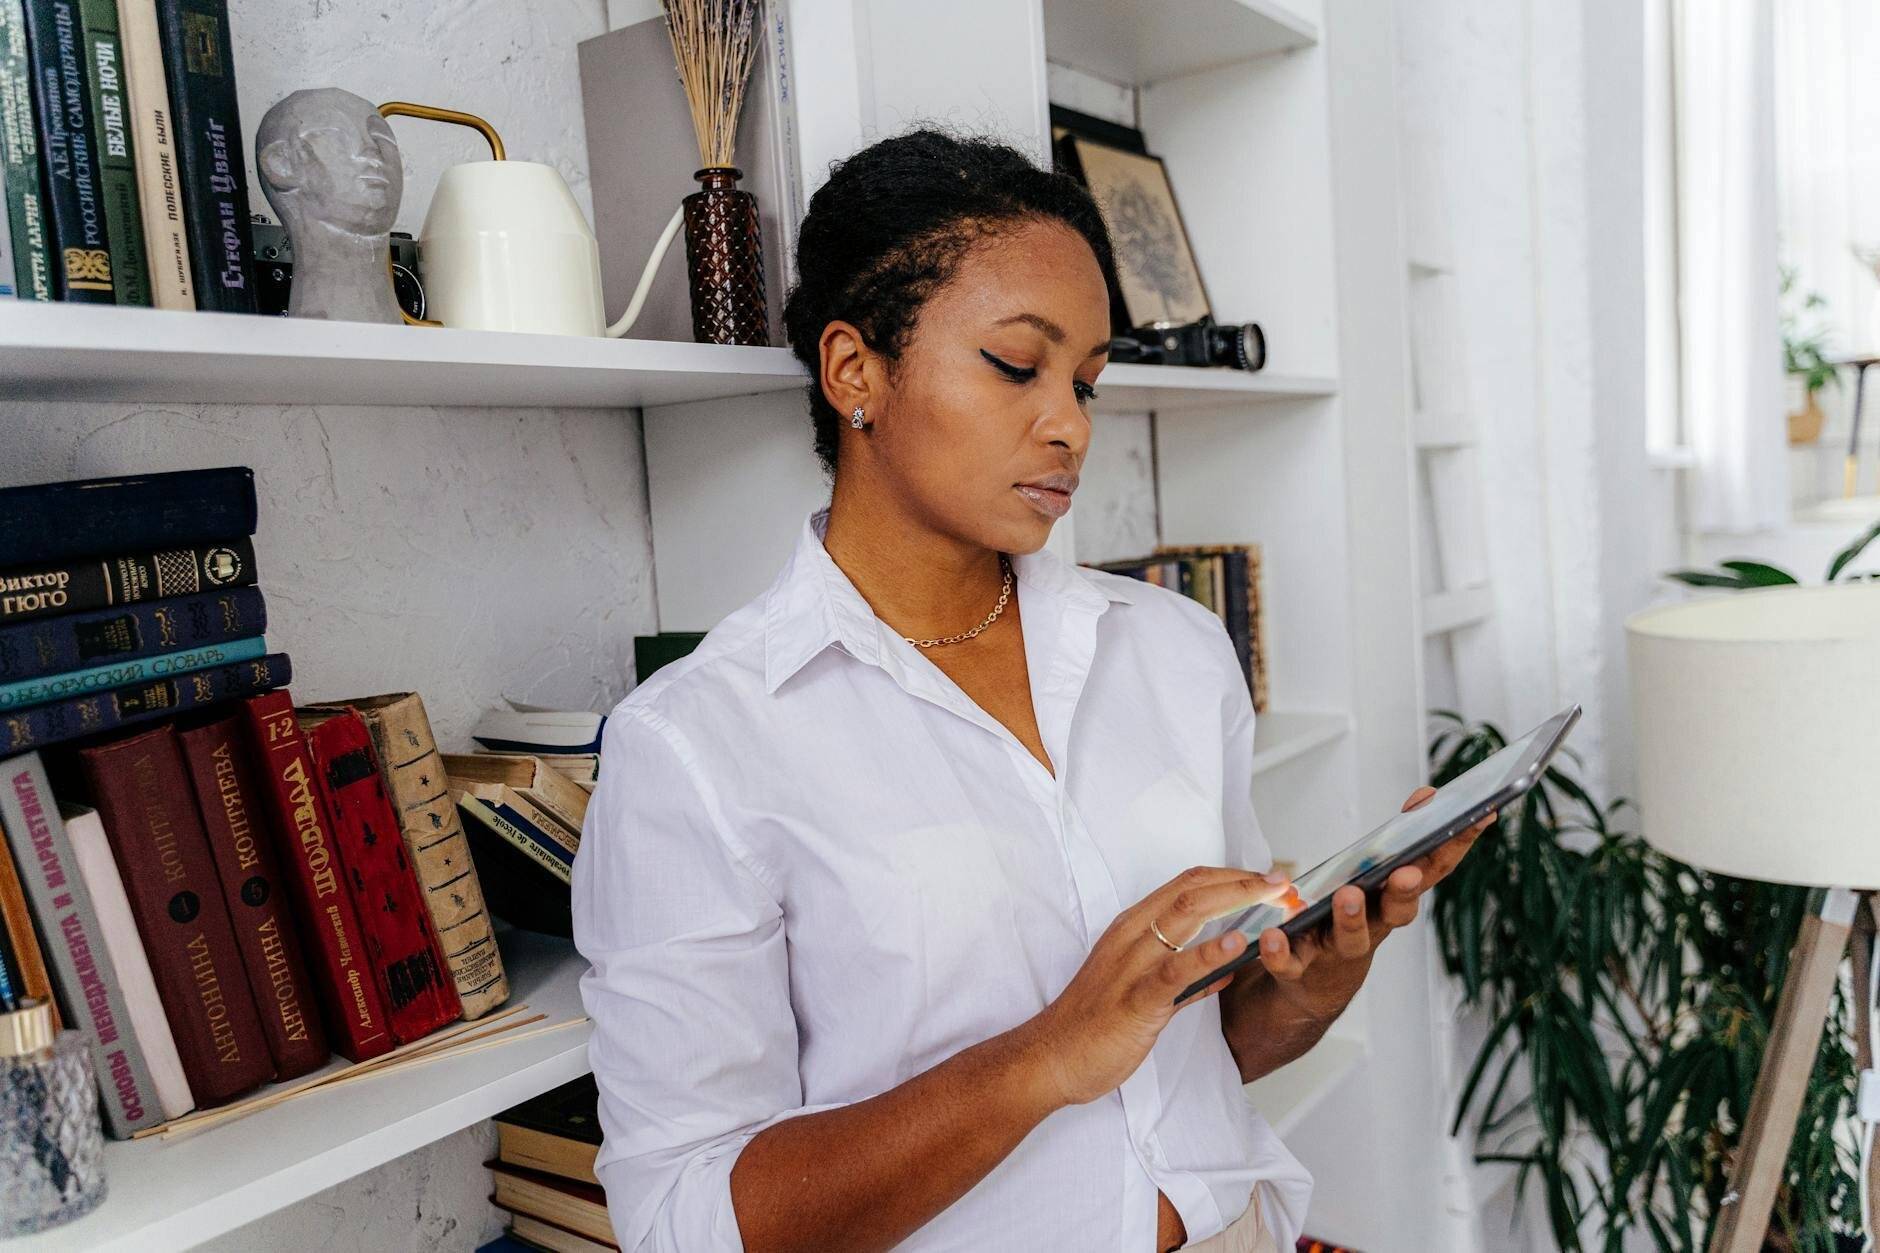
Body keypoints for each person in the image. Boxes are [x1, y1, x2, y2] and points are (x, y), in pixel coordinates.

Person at [571, 128, 1488, 1253]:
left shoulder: (1174, 650)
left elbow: (1192, 1063)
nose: (1068, 424)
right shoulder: (699, 746)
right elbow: (682, 1220)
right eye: (1016, 365)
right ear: (854, 369)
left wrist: (1312, 982)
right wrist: (1040, 1055)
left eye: (1087, 381)